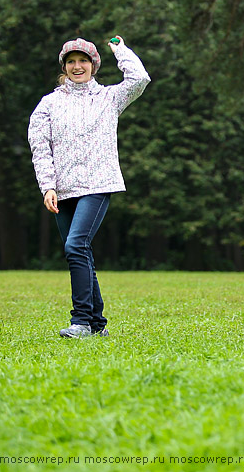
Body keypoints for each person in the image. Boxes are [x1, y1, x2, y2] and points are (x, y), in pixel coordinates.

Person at [28, 35, 150, 338]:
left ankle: (80, 320)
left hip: (98, 183)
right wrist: (48, 187)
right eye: (71, 61)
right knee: (80, 251)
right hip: (63, 189)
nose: (77, 66)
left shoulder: (110, 97)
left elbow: (140, 78)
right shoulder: (49, 103)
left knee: (75, 245)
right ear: (64, 66)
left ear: (93, 65)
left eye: (83, 60)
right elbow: (40, 148)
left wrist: (120, 51)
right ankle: (97, 325)